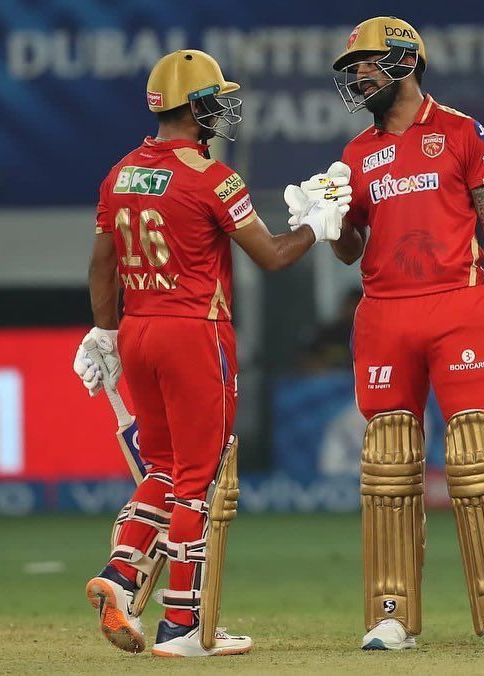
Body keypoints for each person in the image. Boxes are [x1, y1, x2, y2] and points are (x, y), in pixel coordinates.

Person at [285, 17, 484, 650]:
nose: (356, 78)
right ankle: (391, 614)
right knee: (388, 462)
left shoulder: (462, 132)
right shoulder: (355, 155)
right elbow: (351, 251)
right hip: (384, 313)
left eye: (366, 66)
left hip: (457, 304)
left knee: (478, 454)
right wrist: (325, 222)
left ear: (406, 62)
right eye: (351, 70)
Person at [73, 49, 350, 658]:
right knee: (197, 480)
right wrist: (319, 224)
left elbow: (101, 266)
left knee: (164, 469)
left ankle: (119, 577)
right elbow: (274, 257)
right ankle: (182, 626)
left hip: (139, 329)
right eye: (214, 101)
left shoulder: (119, 174)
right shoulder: (212, 178)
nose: (221, 111)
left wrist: (104, 333)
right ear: (194, 107)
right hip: (194, 334)